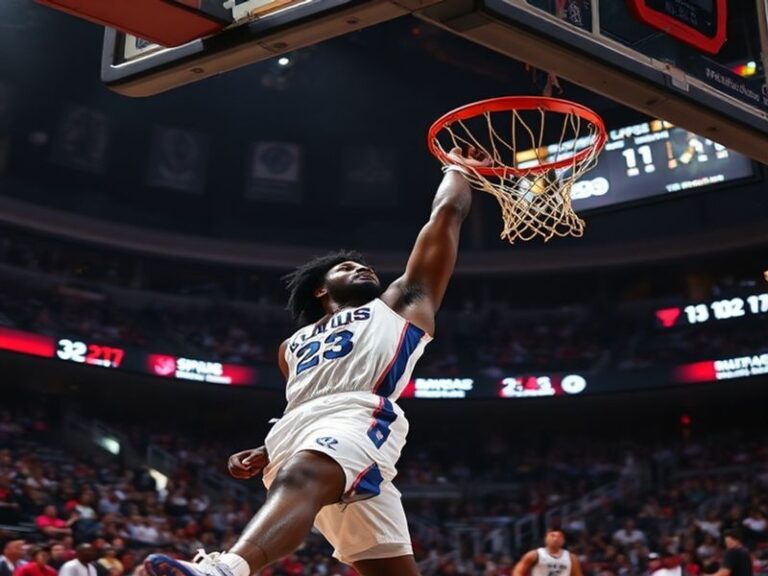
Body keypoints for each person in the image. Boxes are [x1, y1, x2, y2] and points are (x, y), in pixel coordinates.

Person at [145, 146, 489, 576]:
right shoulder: (291, 345)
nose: (362, 267)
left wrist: (457, 169)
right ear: (321, 290)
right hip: (298, 432)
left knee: (301, 475)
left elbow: (445, 216)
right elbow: (303, 403)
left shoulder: (402, 302)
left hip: (359, 415)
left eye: (364, 265)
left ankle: (226, 569)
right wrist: (263, 447)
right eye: (348, 266)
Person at [512, 529, 583, 576]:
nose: (556, 539)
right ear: (546, 538)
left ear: (563, 541)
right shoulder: (535, 554)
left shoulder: (571, 557)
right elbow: (517, 572)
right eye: (552, 536)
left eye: (559, 537)